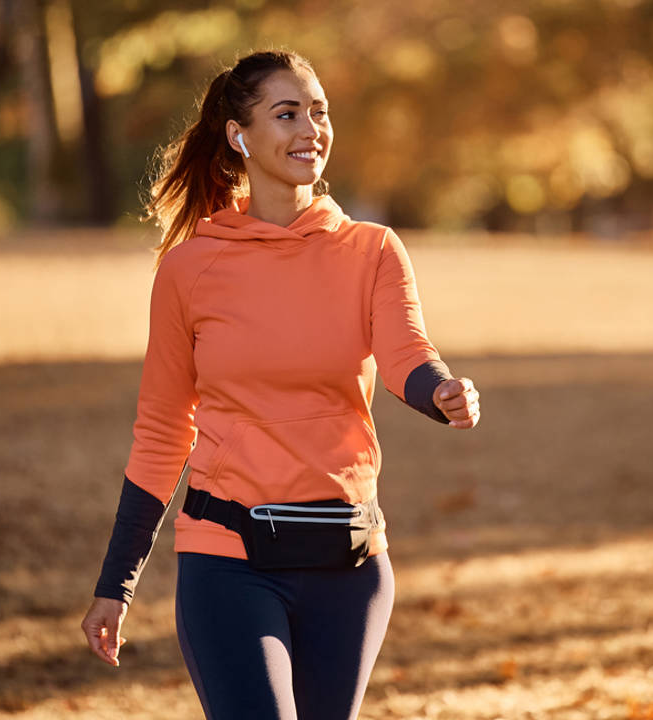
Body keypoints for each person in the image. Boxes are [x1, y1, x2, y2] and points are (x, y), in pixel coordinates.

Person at [79, 48, 481, 720]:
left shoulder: (372, 250)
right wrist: (116, 584)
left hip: (349, 562)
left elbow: (406, 352)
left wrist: (440, 391)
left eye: (318, 113)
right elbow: (161, 432)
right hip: (229, 561)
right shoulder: (190, 270)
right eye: (287, 113)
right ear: (239, 135)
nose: (310, 129)